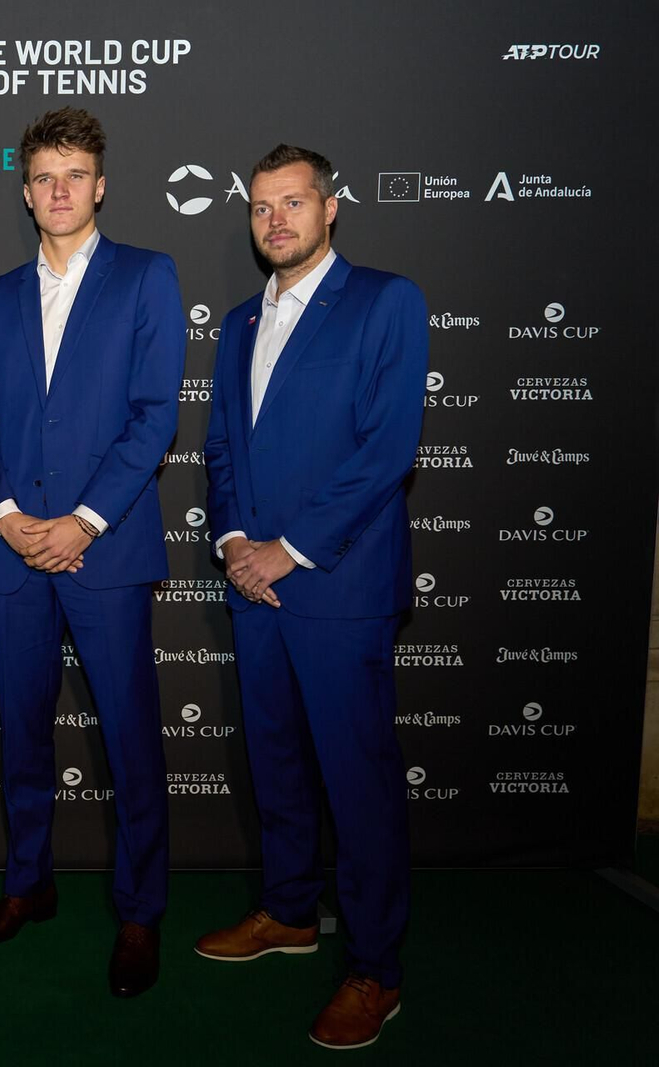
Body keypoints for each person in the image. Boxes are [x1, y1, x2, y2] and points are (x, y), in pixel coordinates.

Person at [198, 143, 426, 1050]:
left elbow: (386, 450)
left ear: (330, 209)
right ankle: (289, 910)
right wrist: (231, 544)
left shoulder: (384, 301)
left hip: (337, 585)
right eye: (260, 206)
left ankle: (376, 967)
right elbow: (221, 447)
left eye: (293, 203)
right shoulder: (242, 326)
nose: (276, 220)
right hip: (254, 586)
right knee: (278, 762)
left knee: (358, 783)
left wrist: (287, 551)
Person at [0, 107, 183, 997]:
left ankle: (140, 911)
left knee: (130, 735)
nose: (59, 191)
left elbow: (154, 415)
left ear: (99, 186)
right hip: (14, 552)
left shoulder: (146, 277)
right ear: (26, 193)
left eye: (74, 176)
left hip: (107, 548)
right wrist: (10, 516)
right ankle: (29, 882)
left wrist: (85, 519)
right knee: (21, 730)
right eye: (43, 177)